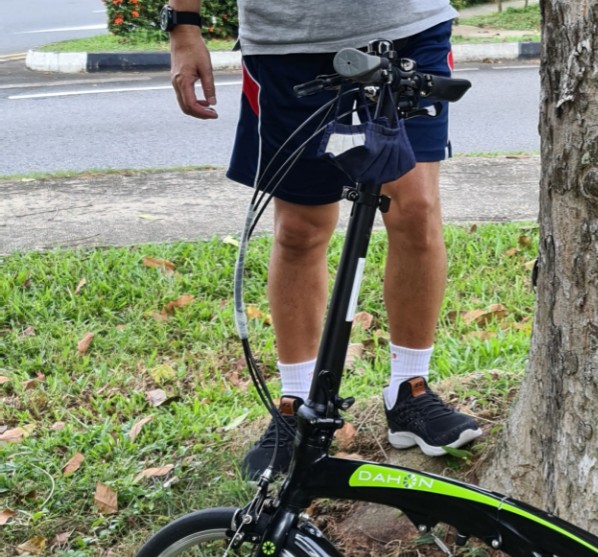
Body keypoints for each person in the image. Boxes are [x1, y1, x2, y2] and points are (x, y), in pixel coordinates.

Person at [164, 2, 482, 477]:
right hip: (288, 41)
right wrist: (183, 27)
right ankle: (296, 401)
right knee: (299, 230)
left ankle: (409, 391)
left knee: (414, 208)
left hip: (409, 27)